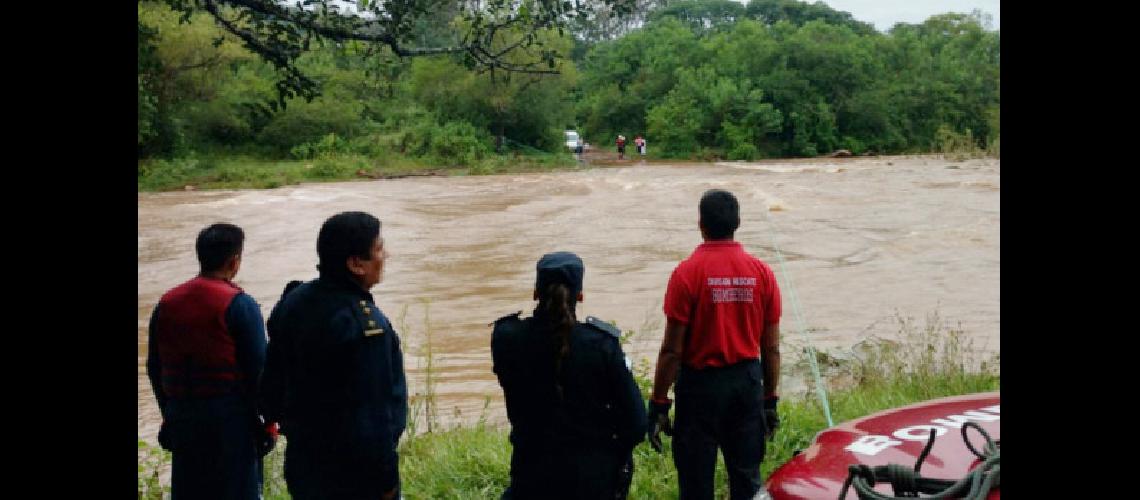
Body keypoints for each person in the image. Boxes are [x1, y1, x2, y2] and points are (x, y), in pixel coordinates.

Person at [260, 211, 408, 500]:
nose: (385, 255)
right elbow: (374, 416)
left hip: (304, 463)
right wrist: (386, 480)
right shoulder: (363, 326)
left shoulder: (294, 300)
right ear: (356, 264)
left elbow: (270, 387)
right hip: (353, 475)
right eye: (378, 249)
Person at [646, 190, 783, 500]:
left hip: (699, 389)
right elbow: (771, 348)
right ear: (737, 223)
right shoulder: (762, 273)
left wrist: (658, 403)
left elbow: (672, 350)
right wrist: (770, 399)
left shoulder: (686, 274)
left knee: (696, 483)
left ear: (701, 224)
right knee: (746, 479)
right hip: (746, 386)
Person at [491, 252, 647, 500]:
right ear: (580, 295)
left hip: (531, 474)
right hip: (592, 479)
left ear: (535, 293)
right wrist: (609, 452)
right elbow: (637, 423)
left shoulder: (507, 338)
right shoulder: (602, 345)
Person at [147, 223, 272, 500]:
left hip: (183, 420)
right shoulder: (239, 304)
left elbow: (154, 368)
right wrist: (268, 424)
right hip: (230, 424)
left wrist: (170, 413)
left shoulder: (167, 303)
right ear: (234, 261)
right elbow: (260, 372)